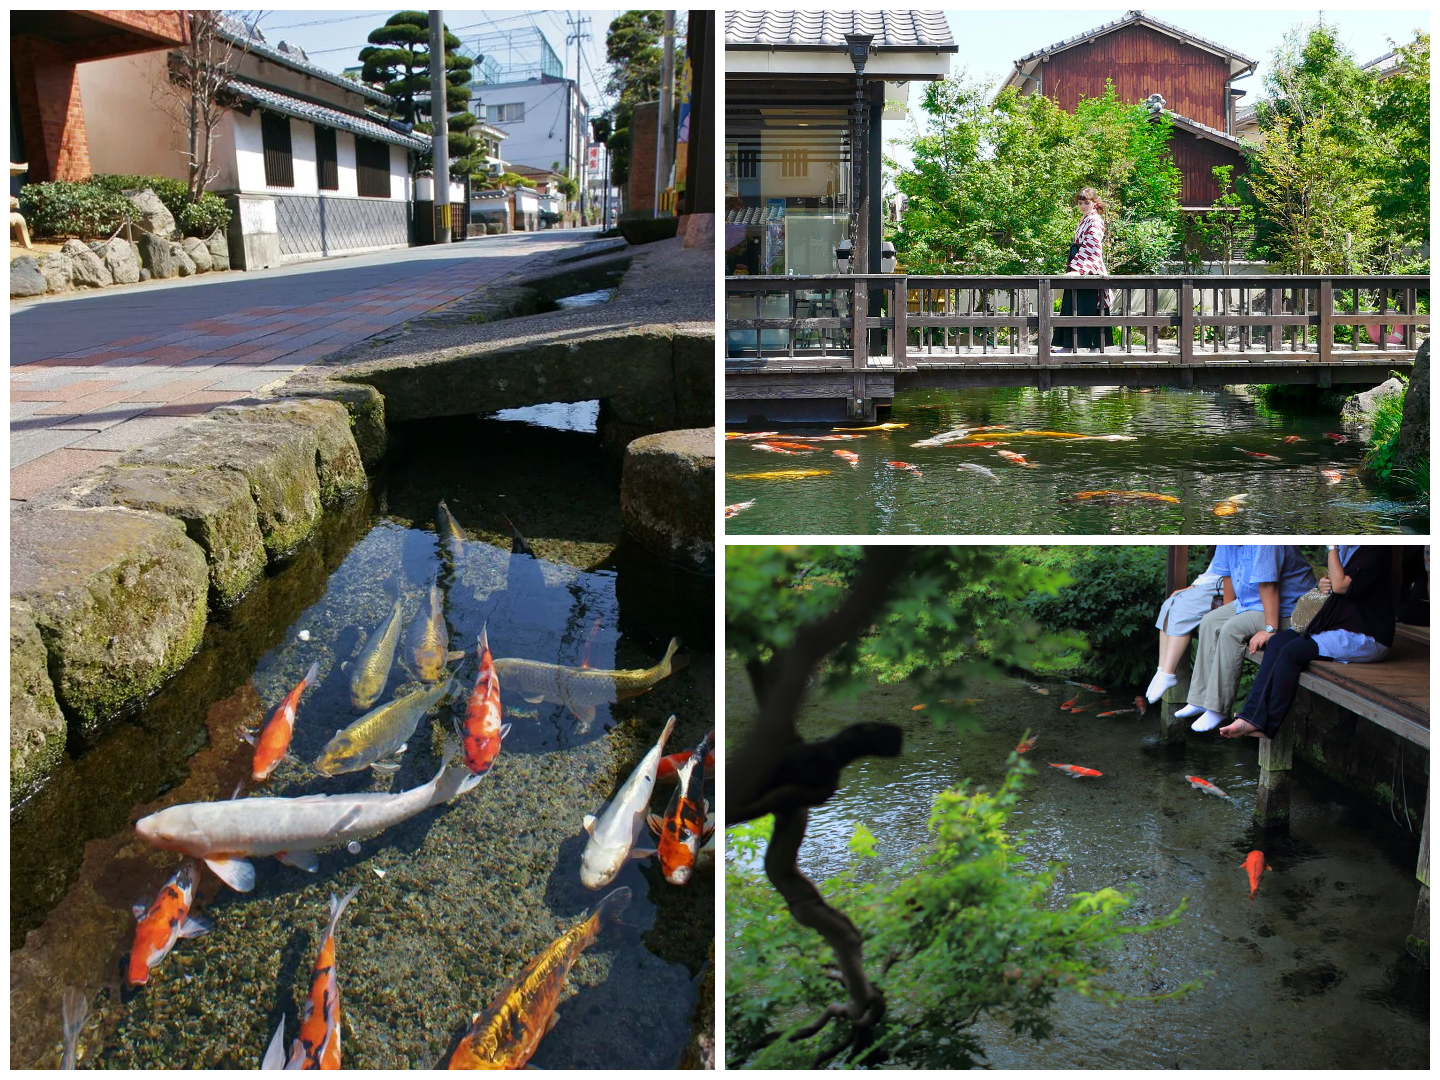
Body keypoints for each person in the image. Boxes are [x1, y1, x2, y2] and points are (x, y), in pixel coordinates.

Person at [1220, 546, 1394, 738]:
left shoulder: (1376, 549)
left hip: (1366, 635)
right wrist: (1325, 583)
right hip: (1338, 624)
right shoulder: (1345, 548)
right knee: (1278, 641)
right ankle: (1251, 717)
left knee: (1291, 651)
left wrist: (1331, 549)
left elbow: (1341, 586)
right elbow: (1336, 585)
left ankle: (1266, 727)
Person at [1175, 545, 1316, 732]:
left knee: (1231, 629)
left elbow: (1268, 585)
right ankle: (1199, 699)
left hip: (1288, 608)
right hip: (1251, 603)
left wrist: (1270, 629)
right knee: (1209, 621)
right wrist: (1227, 612)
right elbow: (1228, 578)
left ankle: (1217, 707)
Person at [1145, 547, 1234, 703]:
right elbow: (1213, 571)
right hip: (1213, 583)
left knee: (1183, 607)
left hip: (1225, 587)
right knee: (1169, 603)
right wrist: (1194, 586)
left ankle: (1168, 673)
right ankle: (1161, 670)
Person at [1052, 187, 1111, 353]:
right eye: (1080, 203)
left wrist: (1079, 268)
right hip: (1078, 262)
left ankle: (1095, 347)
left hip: (1089, 267)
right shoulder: (1084, 219)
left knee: (1091, 307)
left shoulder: (1095, 220)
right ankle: (1068, 345)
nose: (1083, 206)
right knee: (1072, 304)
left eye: (1087, 203)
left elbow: (1093, 245)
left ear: (1094, 203)